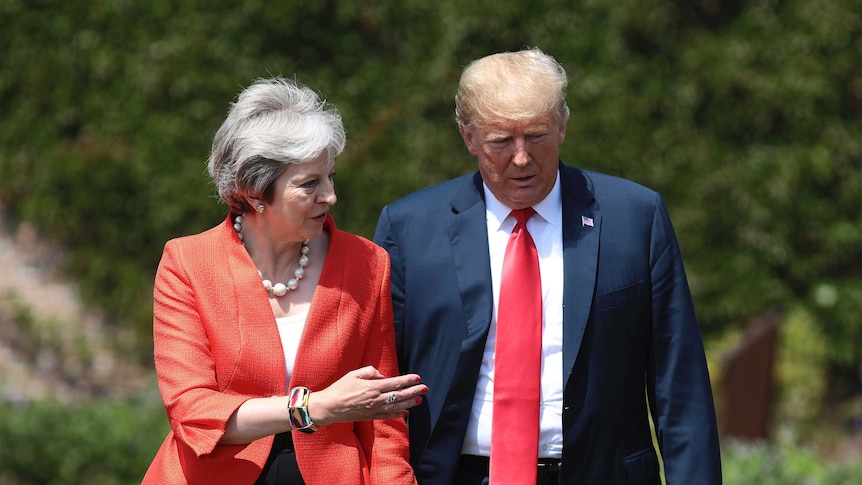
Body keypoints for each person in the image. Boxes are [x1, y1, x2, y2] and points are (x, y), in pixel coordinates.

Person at [373, 48, 721, 484]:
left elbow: (679, 384)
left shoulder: (634, 218)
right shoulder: (409, 230)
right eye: (501, 141)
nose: (521, 158)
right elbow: (378, 383)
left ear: (562, 127)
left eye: (535, 136)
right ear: (468, 138)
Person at [143, 76, 426, 485]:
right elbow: (192, 410)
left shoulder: (368, 262)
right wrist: (314, 408)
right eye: (309, 183)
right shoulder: (187, 263)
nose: (329, 196)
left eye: (330, 177)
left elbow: (384, 419)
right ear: (256, 190)